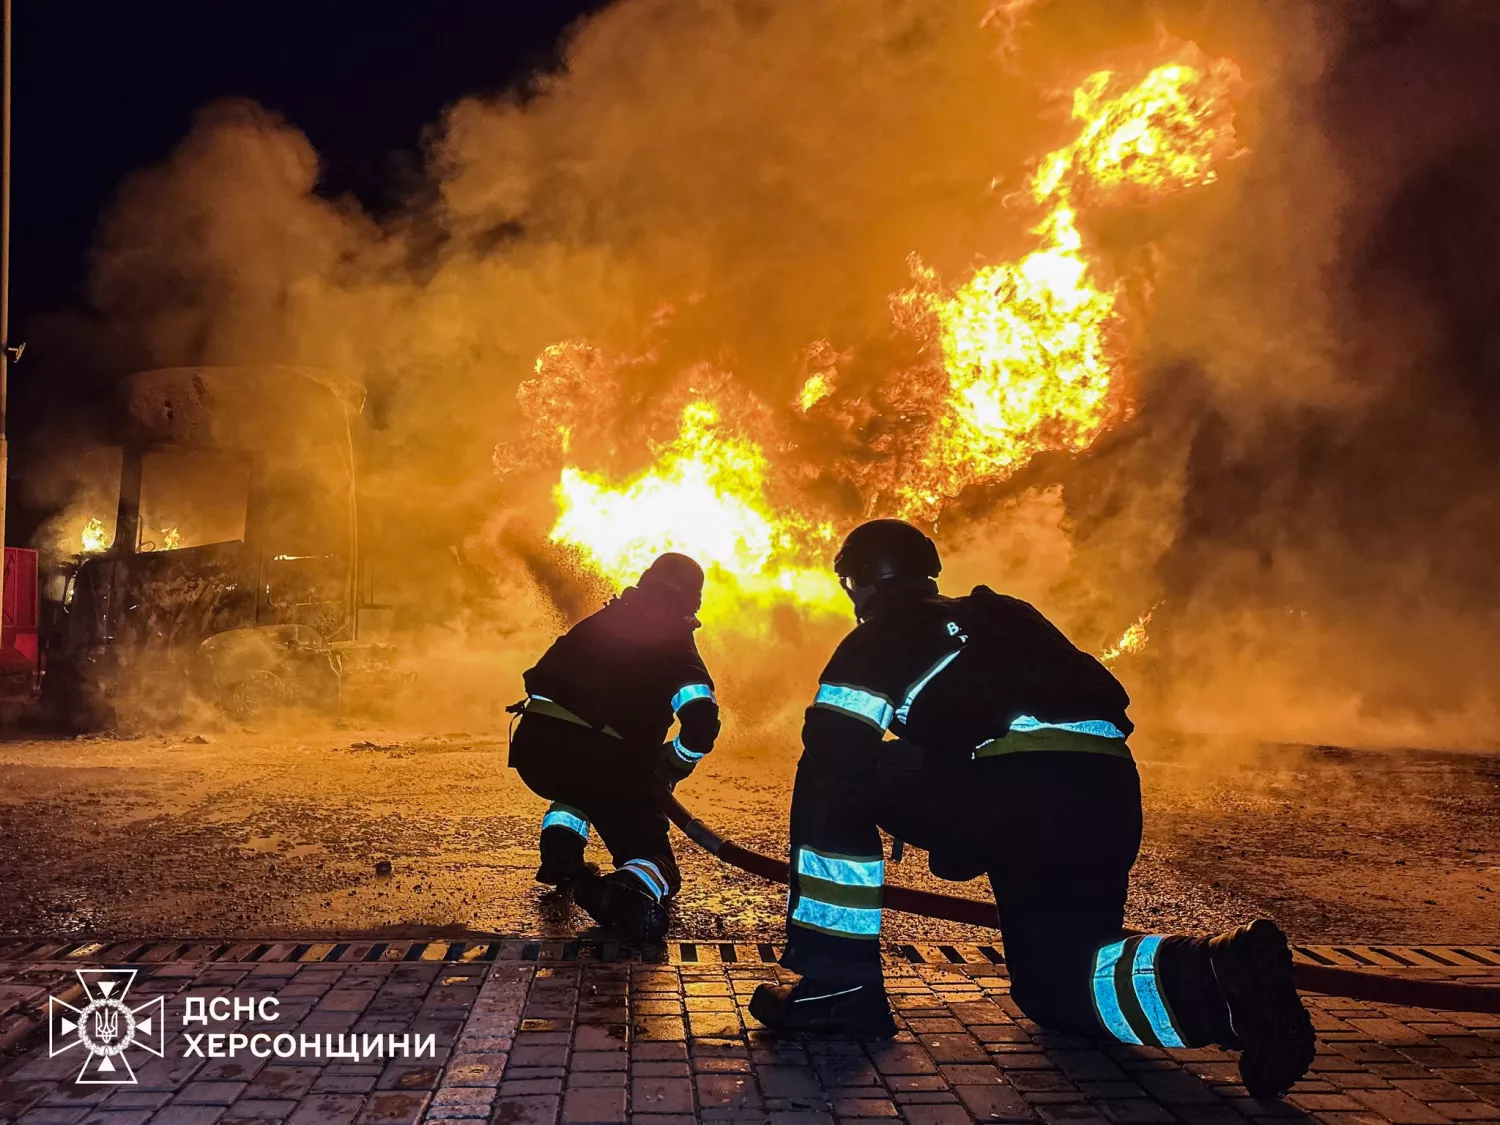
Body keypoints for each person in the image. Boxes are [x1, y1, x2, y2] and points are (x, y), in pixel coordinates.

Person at [749, 520, 1315, 1100]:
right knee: (1056, 984)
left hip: (1018, 787)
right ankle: (1227, 979)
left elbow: (836, 746)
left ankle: (836, 984)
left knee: (821, 774)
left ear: (859, 582)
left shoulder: (879, 634)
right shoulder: (1008, 613)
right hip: (1106, 790)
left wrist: (946, 816)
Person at [507, 552, 720, 941]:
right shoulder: (676, 646)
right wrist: (671, 764)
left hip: (534, 751)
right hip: (601, 763)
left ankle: (561, 857)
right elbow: (702, 723)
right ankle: (624, 894)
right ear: (693, 603)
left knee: (578, 788)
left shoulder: (602, 620)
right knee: (657, 862)